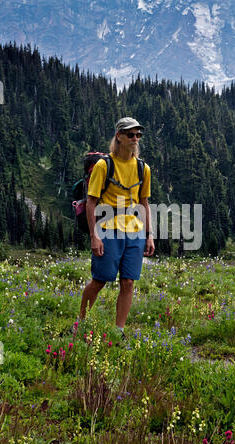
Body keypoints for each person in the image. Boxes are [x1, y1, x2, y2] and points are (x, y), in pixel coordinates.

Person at [79, 117, 155, 338]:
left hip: (135, 231)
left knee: (128, 281)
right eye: (130, 135)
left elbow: (144, 203)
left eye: (138, 135)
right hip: (107, 229)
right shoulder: (104, 165)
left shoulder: (143, 169)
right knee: (100, 280)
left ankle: (118, 330)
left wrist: (149, 235)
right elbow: (91, 202)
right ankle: (81, 322)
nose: (135, 139)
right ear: (119, 137)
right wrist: (94, 236)